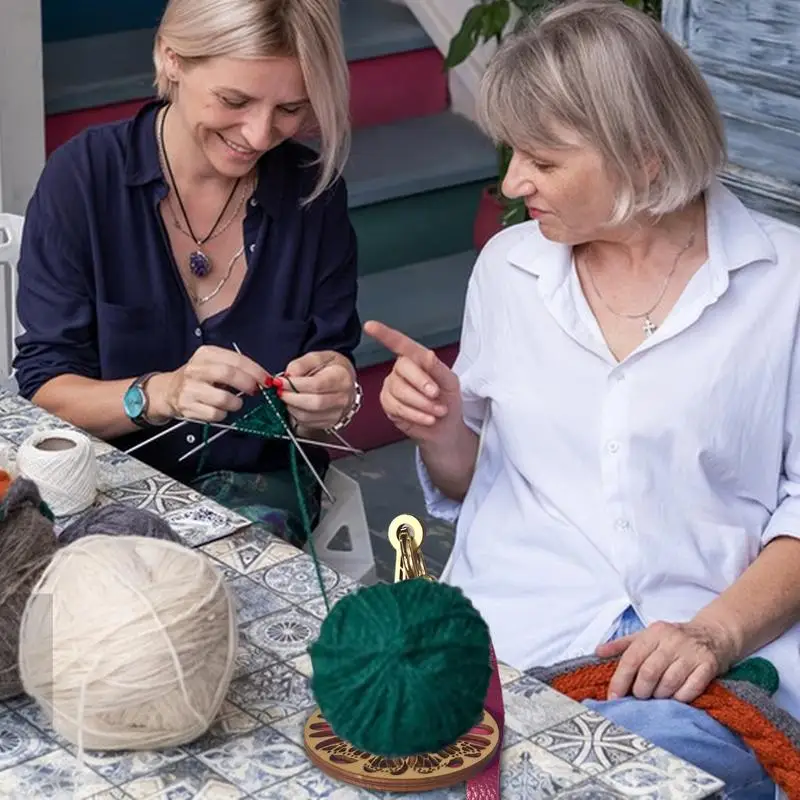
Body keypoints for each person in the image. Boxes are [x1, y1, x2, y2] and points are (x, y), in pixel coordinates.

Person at [366, 1, 800, 795]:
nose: (512, 181)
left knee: (641, 772)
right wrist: (439, 430)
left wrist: (714, 633)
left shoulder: (788, 285)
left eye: (543, 159)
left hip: (715, 648)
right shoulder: (510, 269)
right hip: (517, 630)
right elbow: (476, 482)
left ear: (644, 157)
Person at [13, 0, 362, 546]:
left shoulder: (312, 197)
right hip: (106, 480)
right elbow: (48, 389)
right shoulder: (83, 180)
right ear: (171, 58)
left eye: (291, 108)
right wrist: (160, 394)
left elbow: (322, 402)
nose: (259, 134)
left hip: (260, 482)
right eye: (235, 100)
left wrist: (331, 398)